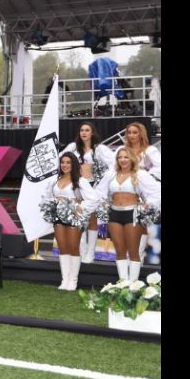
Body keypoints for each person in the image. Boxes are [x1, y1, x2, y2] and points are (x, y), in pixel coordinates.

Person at [95, 147, 161, 281]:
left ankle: (133, 285)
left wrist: (148, 204)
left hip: (133, 214)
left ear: (132, 159)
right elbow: (98, 192)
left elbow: (157, 191)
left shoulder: (140, 174)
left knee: (133, 251)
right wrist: (103, 204)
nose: (123, 160)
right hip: (114, 214)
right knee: (119, 251)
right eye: (120, 157)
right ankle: (123, 284)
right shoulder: (111, 174)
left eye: (126, 157)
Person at [60, 122, 115, 263]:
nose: (83, 133)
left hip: (93, 186)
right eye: (81, 130)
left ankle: (90, 252)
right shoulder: (73, 147)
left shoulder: (99, 149)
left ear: (92, 132)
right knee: (78, 217)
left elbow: (114, 164)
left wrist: (102, 183)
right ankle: (82, 250)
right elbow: (61, 159)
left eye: (87, 130)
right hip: (77, 186)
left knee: (92, 219)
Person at [42, 153, 98, 290]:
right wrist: (54, 201)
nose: (65, 165)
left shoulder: (80, 181)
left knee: (73, 247)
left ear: (74, 165)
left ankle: (73, 280)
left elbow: (94, 198)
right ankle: (64, 280)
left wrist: (80, 206)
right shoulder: (54, 180)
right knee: (63, 247)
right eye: (63, 162)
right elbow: (45, 197)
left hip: (74, 217)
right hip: (58, 216)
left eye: (68, 162)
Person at [123, 121, 161, 260]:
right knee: (127, 223)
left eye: (135, 132)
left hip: (143, 192)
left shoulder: (149, 151)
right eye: (129, 132)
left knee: (143, 222)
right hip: (126, 191)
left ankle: (139, 255)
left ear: (141, 134)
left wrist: (145, 174)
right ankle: (129, 255)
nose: (131, 135)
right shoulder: (123, 150)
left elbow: (159, 167)